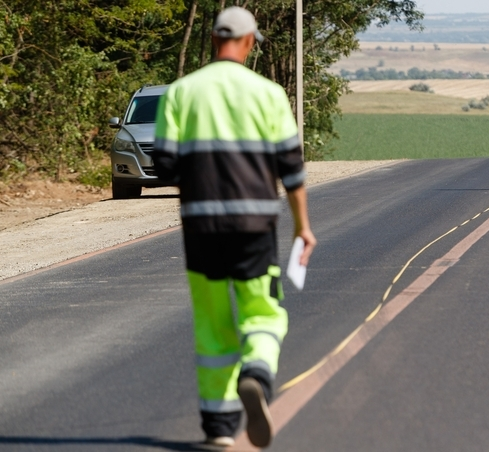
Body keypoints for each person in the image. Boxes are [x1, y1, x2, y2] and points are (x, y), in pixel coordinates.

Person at [151, 6, 316, 449]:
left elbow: (164, 165)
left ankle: (219, 431)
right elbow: (292, 171)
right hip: (254, 226)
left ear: (211, 40)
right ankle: (257, 378)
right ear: (248, 42)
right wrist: (304, 227)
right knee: (262, 312)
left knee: (212, 324)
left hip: (199, 228)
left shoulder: (180, 92)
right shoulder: (268, 93)